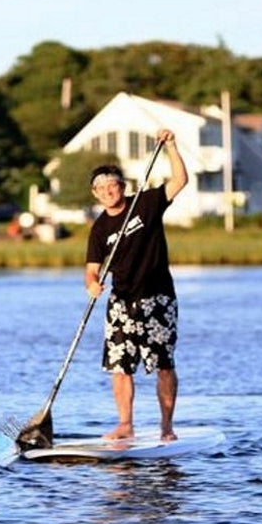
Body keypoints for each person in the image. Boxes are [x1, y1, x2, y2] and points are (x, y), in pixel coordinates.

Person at [85, 128, 189, 442]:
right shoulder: (99, 229)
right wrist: (91, 284)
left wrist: (171, 146)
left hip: (157, 297)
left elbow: (180, 181)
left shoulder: (145, 203)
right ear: (95, 194)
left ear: (122, 186)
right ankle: (125, 424)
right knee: (120, 366)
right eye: (100, 188)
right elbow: (91, 269)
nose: (106, 191)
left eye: (111, 185)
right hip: (121, 301)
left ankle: (166, 427)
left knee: (163, 365)